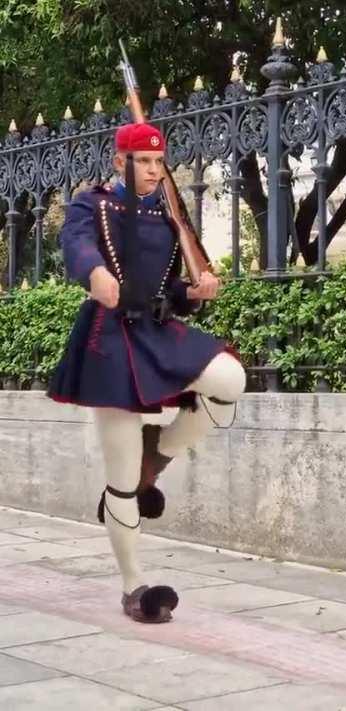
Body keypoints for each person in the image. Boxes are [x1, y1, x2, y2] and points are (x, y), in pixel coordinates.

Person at [48, 122, 246, 623]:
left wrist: (195, 292)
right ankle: (135, 587)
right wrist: (94, 273)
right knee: (119, 474)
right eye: (144, 162)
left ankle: (159, 453)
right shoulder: (90, 205)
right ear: (120, 161)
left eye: (160, 163)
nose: (155, 171)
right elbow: (76, 245)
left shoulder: (170, 214)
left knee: (229, 378)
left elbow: (170, 286)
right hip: (108, 338)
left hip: (155, 327)